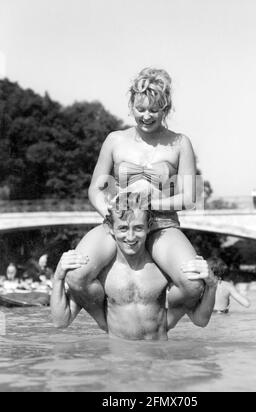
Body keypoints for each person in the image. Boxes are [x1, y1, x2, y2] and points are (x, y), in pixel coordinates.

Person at [65, 67, 207, 327]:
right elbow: (95, 189)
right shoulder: (114, 140)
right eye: (140, 109)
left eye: (154, 110)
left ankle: (162, 326)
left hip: (162, 225)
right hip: (118, 222)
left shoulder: (180, 143)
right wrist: (106, 210)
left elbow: (190, 197)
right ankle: (108, 324)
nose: (146, 116)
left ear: (166, 109)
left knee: (192, 283)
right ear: (131, 105)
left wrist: (151, 204)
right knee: (77, 275)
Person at [51, 193, 218, 340]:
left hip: (158, 359)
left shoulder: (162, 270)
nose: (130, 237)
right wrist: (58, 277)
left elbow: (200, 320)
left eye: (138, 228)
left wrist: (211, 286)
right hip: (119, 361)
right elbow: (61, 321)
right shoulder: (102, 274)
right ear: (110, 228)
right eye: (123, 228)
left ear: (149, 227)